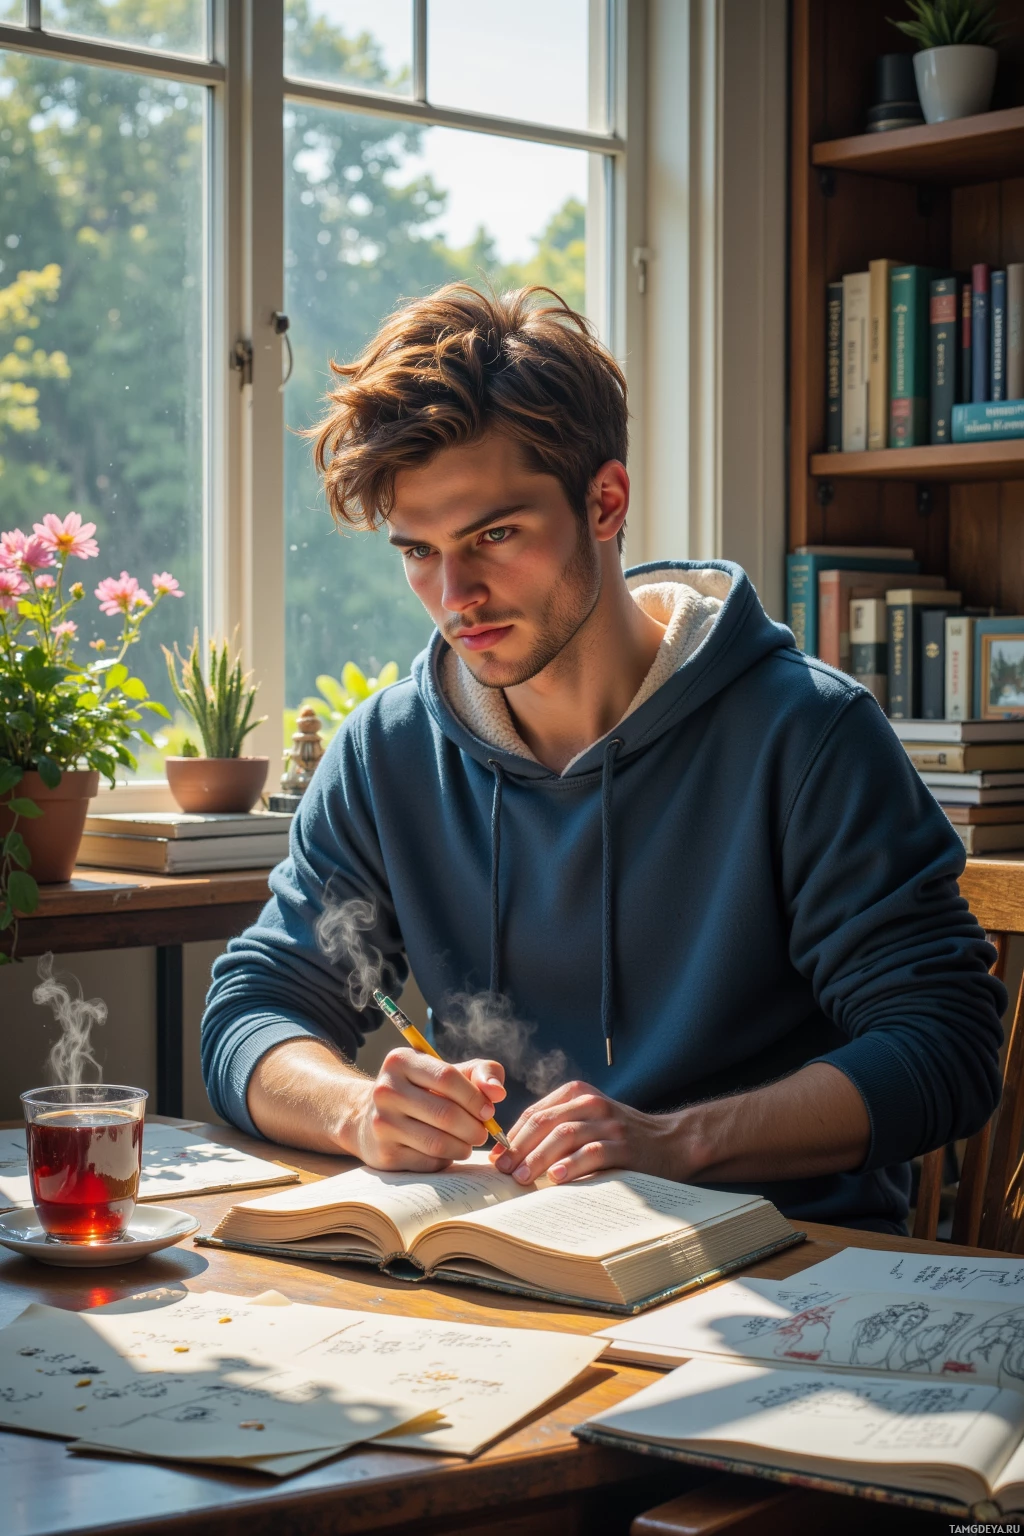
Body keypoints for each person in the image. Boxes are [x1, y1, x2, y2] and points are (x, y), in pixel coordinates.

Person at [202, 283, 1004, 1233]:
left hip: (786, 1265)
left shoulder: (807, 735)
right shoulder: (389, 751)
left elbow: (944, 1047)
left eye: (494, 535)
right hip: (512, 1262)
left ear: (606, 501)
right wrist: (355, 1110)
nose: (455, 595)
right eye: (418, 551)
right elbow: (252, 1012)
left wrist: (672, 1142)